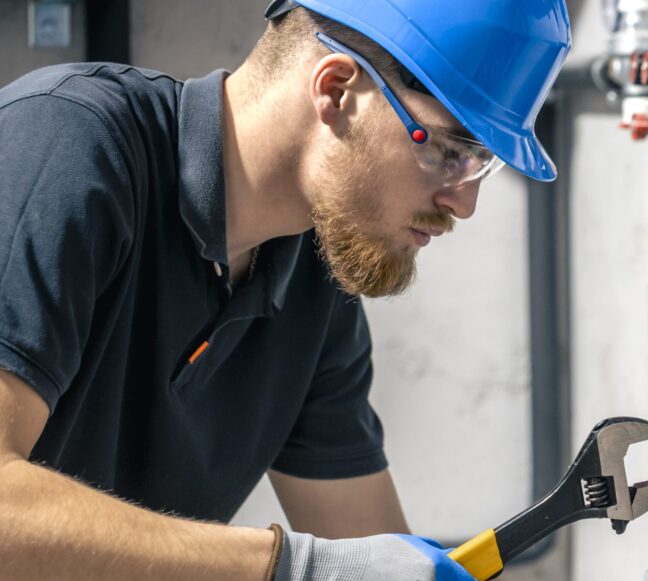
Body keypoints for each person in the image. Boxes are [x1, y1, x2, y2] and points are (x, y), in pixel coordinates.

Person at [0, 0, 569, 578]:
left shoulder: (313, 285)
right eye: (452, 152)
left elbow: (380, 558)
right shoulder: (66, 142)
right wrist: (291, 567)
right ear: (337, 91)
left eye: (481, 166)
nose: (463, 204)